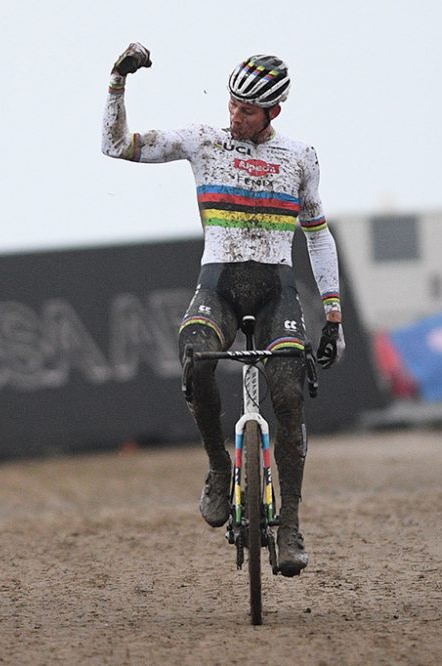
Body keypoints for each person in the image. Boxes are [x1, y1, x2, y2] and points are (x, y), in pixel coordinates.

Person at [102, 44, 345, 577]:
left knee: (288, 396)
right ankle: (218, 467)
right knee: (197, 356)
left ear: (273, 114)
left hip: (276, 289)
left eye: (248, 111)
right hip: (219, 285)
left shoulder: (300, 157)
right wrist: (118, 80)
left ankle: (292, 527)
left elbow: (318, 235)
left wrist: (332, 316)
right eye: (233, 104)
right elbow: (116, 145)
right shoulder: (203, 140)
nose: (235, 116)